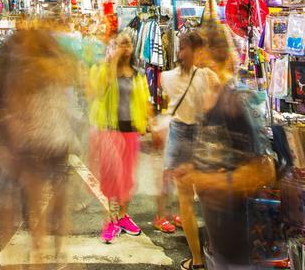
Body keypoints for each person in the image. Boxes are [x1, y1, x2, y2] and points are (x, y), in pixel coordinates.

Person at [174, 21, 276, 270]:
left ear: (204, 53)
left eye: (190, 49)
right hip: (220, 242)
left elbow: (263, 170)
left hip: (245, 247)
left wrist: (206, 180)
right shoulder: (213, 98)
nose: (182, 56)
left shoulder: (237, 101)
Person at [0, 26, 78, 264]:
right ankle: (58, 256)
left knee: (33, 214)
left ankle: (43, 257)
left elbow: (13, 109)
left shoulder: (27, 71)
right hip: (49, 147)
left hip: (34, 149)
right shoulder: (56, 69)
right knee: (51, 214)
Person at [157, 31, 219, 268]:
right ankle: (211, 255)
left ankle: (197, 260)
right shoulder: (208, 76)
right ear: (199, 51)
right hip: (202, 136)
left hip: (180, 135)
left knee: (186, 203)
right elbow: (215, 104)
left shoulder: (167, 77)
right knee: (206, 200)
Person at [89, 31, 150, 244]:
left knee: (126, 178)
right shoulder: (103, 70)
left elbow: (143, 101)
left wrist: (147, 121)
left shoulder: (138, 73)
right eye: (121, 44)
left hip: (130, 131)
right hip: (109, 130)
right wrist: (113, 62)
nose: (126, 48)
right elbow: (97, 90)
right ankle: (110, 219)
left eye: (129, 44)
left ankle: (122, 216)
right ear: (114, 47)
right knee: (111, 178)